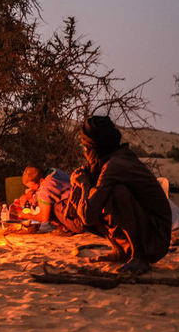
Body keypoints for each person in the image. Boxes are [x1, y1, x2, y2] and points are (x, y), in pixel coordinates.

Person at [71, 116, 172, 274]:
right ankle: (120, 250)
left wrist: (84, 184)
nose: (85, 153)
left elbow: (88, 216)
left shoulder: (115, 165)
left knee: (116, 194)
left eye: (86, 148)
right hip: (149, 232)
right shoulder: (106, 161)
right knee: (93, 193)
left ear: (93, 148)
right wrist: (79, 182)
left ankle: (139, 256)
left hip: (156, 238)